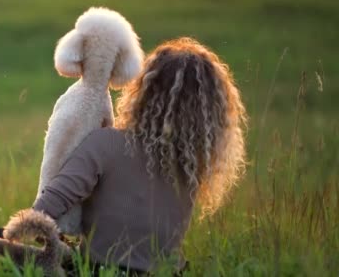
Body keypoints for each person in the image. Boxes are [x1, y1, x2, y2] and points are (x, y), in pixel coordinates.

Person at [32, 37, 247, 275]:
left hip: (100, 272)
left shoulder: (105, 144)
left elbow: (46, 208)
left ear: (143, 89)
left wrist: (9, 236)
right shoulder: (191, 167)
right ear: (209, 111)